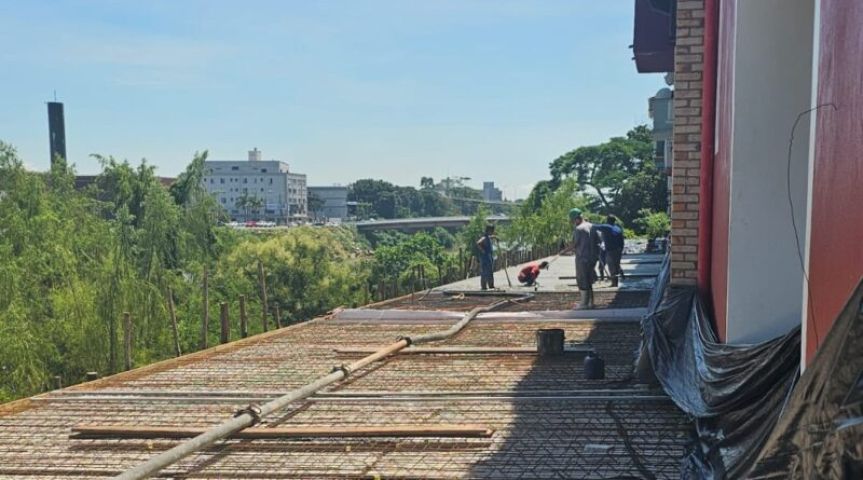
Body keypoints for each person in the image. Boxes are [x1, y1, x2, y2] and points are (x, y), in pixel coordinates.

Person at [568, 208, 600, 309]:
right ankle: (591, 303)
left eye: (573, 221)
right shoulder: (593, 226)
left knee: (582, 280)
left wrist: (564, 250)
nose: (573, 223)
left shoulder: (579, 229)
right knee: (589, 279)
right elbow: (599, 241)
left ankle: (584, 304)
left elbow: (574, 244)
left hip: (582, 258)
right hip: (593, 258)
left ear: (576, 219)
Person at [594, 215, 625, 287]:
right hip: (618, 250)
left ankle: (614, 283)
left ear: (608, 220)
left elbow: (596, 226)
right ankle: (616, 282)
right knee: (616, 266)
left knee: (611, 267)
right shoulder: (618, 228)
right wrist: (621, 250)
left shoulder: (607, 227)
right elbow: (622, 241)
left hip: (611, 251)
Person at [476, 224, 496, 290]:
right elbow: (478, 243)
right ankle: (484, 286)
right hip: (485, 257)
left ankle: (491, 285)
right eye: (492, 231)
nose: (492, 232)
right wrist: (483, 250)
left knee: (490, 271)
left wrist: (494, 237)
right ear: (488, 231)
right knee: (485, 271)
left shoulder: (488, 237)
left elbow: (490, 237)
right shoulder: (484, 237)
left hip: (488, 256)